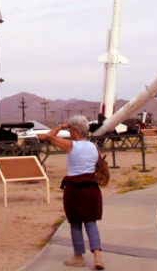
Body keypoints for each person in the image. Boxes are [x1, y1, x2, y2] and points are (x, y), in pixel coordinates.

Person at [38, 115, 105, 269]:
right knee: (91, 222)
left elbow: (49, 136)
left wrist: (62, 125)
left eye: (70, 130)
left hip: (75, 189)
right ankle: (98, 256)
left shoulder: (70, 146)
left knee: (75, 223)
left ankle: (78, 256)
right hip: (92, 188)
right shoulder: (93, 146)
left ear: (75, 131)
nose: (69, 132)